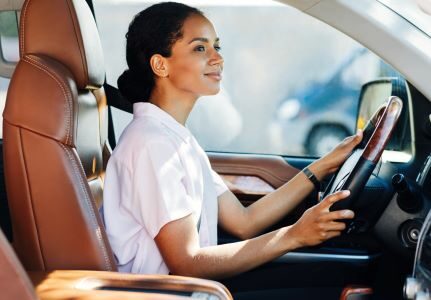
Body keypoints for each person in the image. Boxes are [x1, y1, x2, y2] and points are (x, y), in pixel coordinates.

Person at [103, 1, 363, 280]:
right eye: (200, 48)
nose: (218, 58)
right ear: (160, 64)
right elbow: (186, 263)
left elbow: (243, 222)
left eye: (217, 46)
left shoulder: (177, 140)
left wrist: (322, 166)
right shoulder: (151, 145)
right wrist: (295, 235)